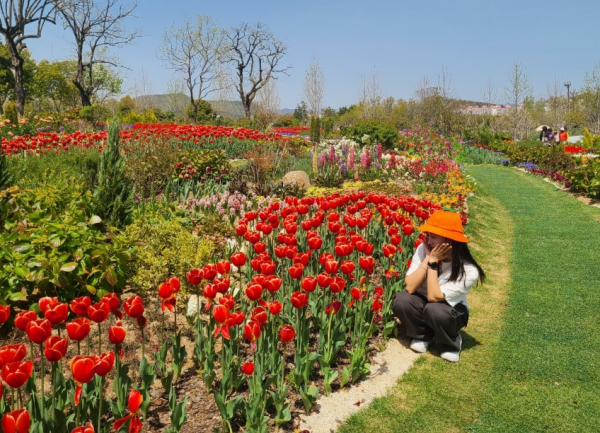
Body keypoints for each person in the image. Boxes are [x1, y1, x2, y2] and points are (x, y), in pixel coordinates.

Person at [391, 210, 485, 362]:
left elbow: (434, 297)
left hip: (449, 308)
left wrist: (433, 263)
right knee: (402, 300)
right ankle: (423, 336)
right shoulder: (423, 250)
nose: (427, 240)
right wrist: (428, 257)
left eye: (433, 237)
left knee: (434, 310)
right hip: (423, 301)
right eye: (427, 235)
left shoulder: (468, 269)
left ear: (450, 241)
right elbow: (410, 287)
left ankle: (450, 343)